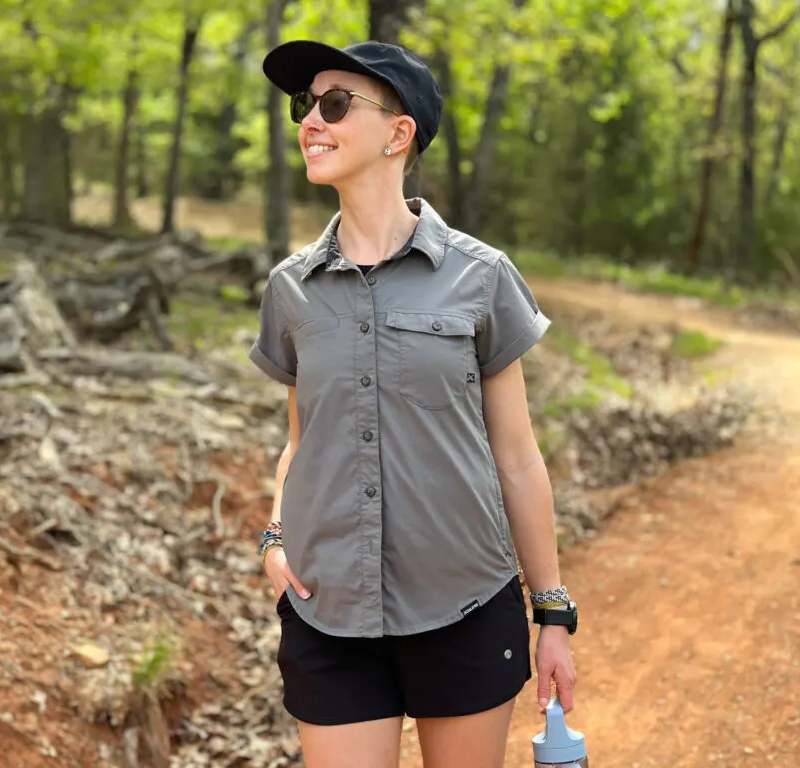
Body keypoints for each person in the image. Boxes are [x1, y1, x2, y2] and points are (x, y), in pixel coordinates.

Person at [249, 39, 578, 768]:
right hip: (327, 611)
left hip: (462, 603)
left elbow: (517, 459)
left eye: (336, 105)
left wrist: (551, 611)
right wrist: (275, 537)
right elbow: (302, 441)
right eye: (307, 107)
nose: (311, 121)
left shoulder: (481, 276)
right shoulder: (291, 289)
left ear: (399, 134)